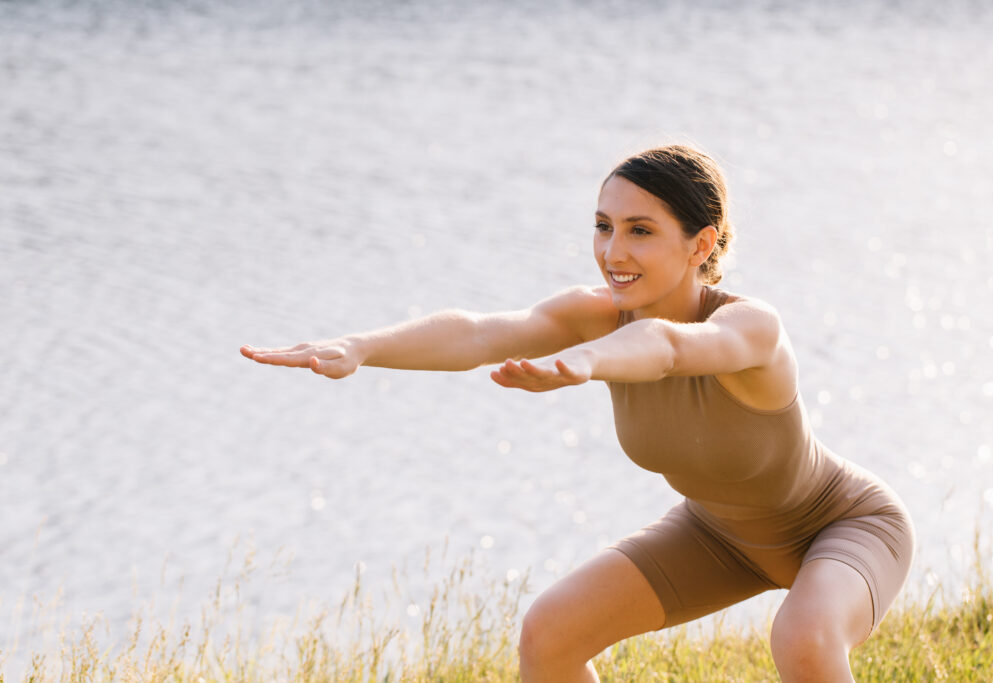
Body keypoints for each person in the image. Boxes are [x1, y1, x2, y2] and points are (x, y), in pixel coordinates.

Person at [240, 144, 914, 682]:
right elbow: (481, 332)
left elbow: (671, 347)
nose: (614, 252)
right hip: (718, 535)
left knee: (804, 638)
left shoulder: (750, 329)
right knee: (551, 633)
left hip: (842, 525)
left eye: (641, 231)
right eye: (603, 226)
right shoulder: (597, 313)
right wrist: (361, 347)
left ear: (701, 244)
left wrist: (588, 361)